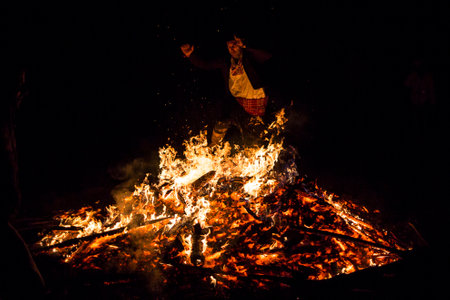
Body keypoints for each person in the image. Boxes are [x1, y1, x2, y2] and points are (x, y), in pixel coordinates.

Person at [180, 34, 272, 146]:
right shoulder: (226, 62)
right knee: (221, 122)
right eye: (229, 46)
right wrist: (191, 55)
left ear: (240, 45)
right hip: (237, 101)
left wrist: (246, 46)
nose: (232, 48)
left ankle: (255, 153)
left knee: (252, 135)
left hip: (255, 101)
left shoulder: (251, 58)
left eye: (234, 45)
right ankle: (212, 148)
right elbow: (206, 65)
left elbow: (267, 56)